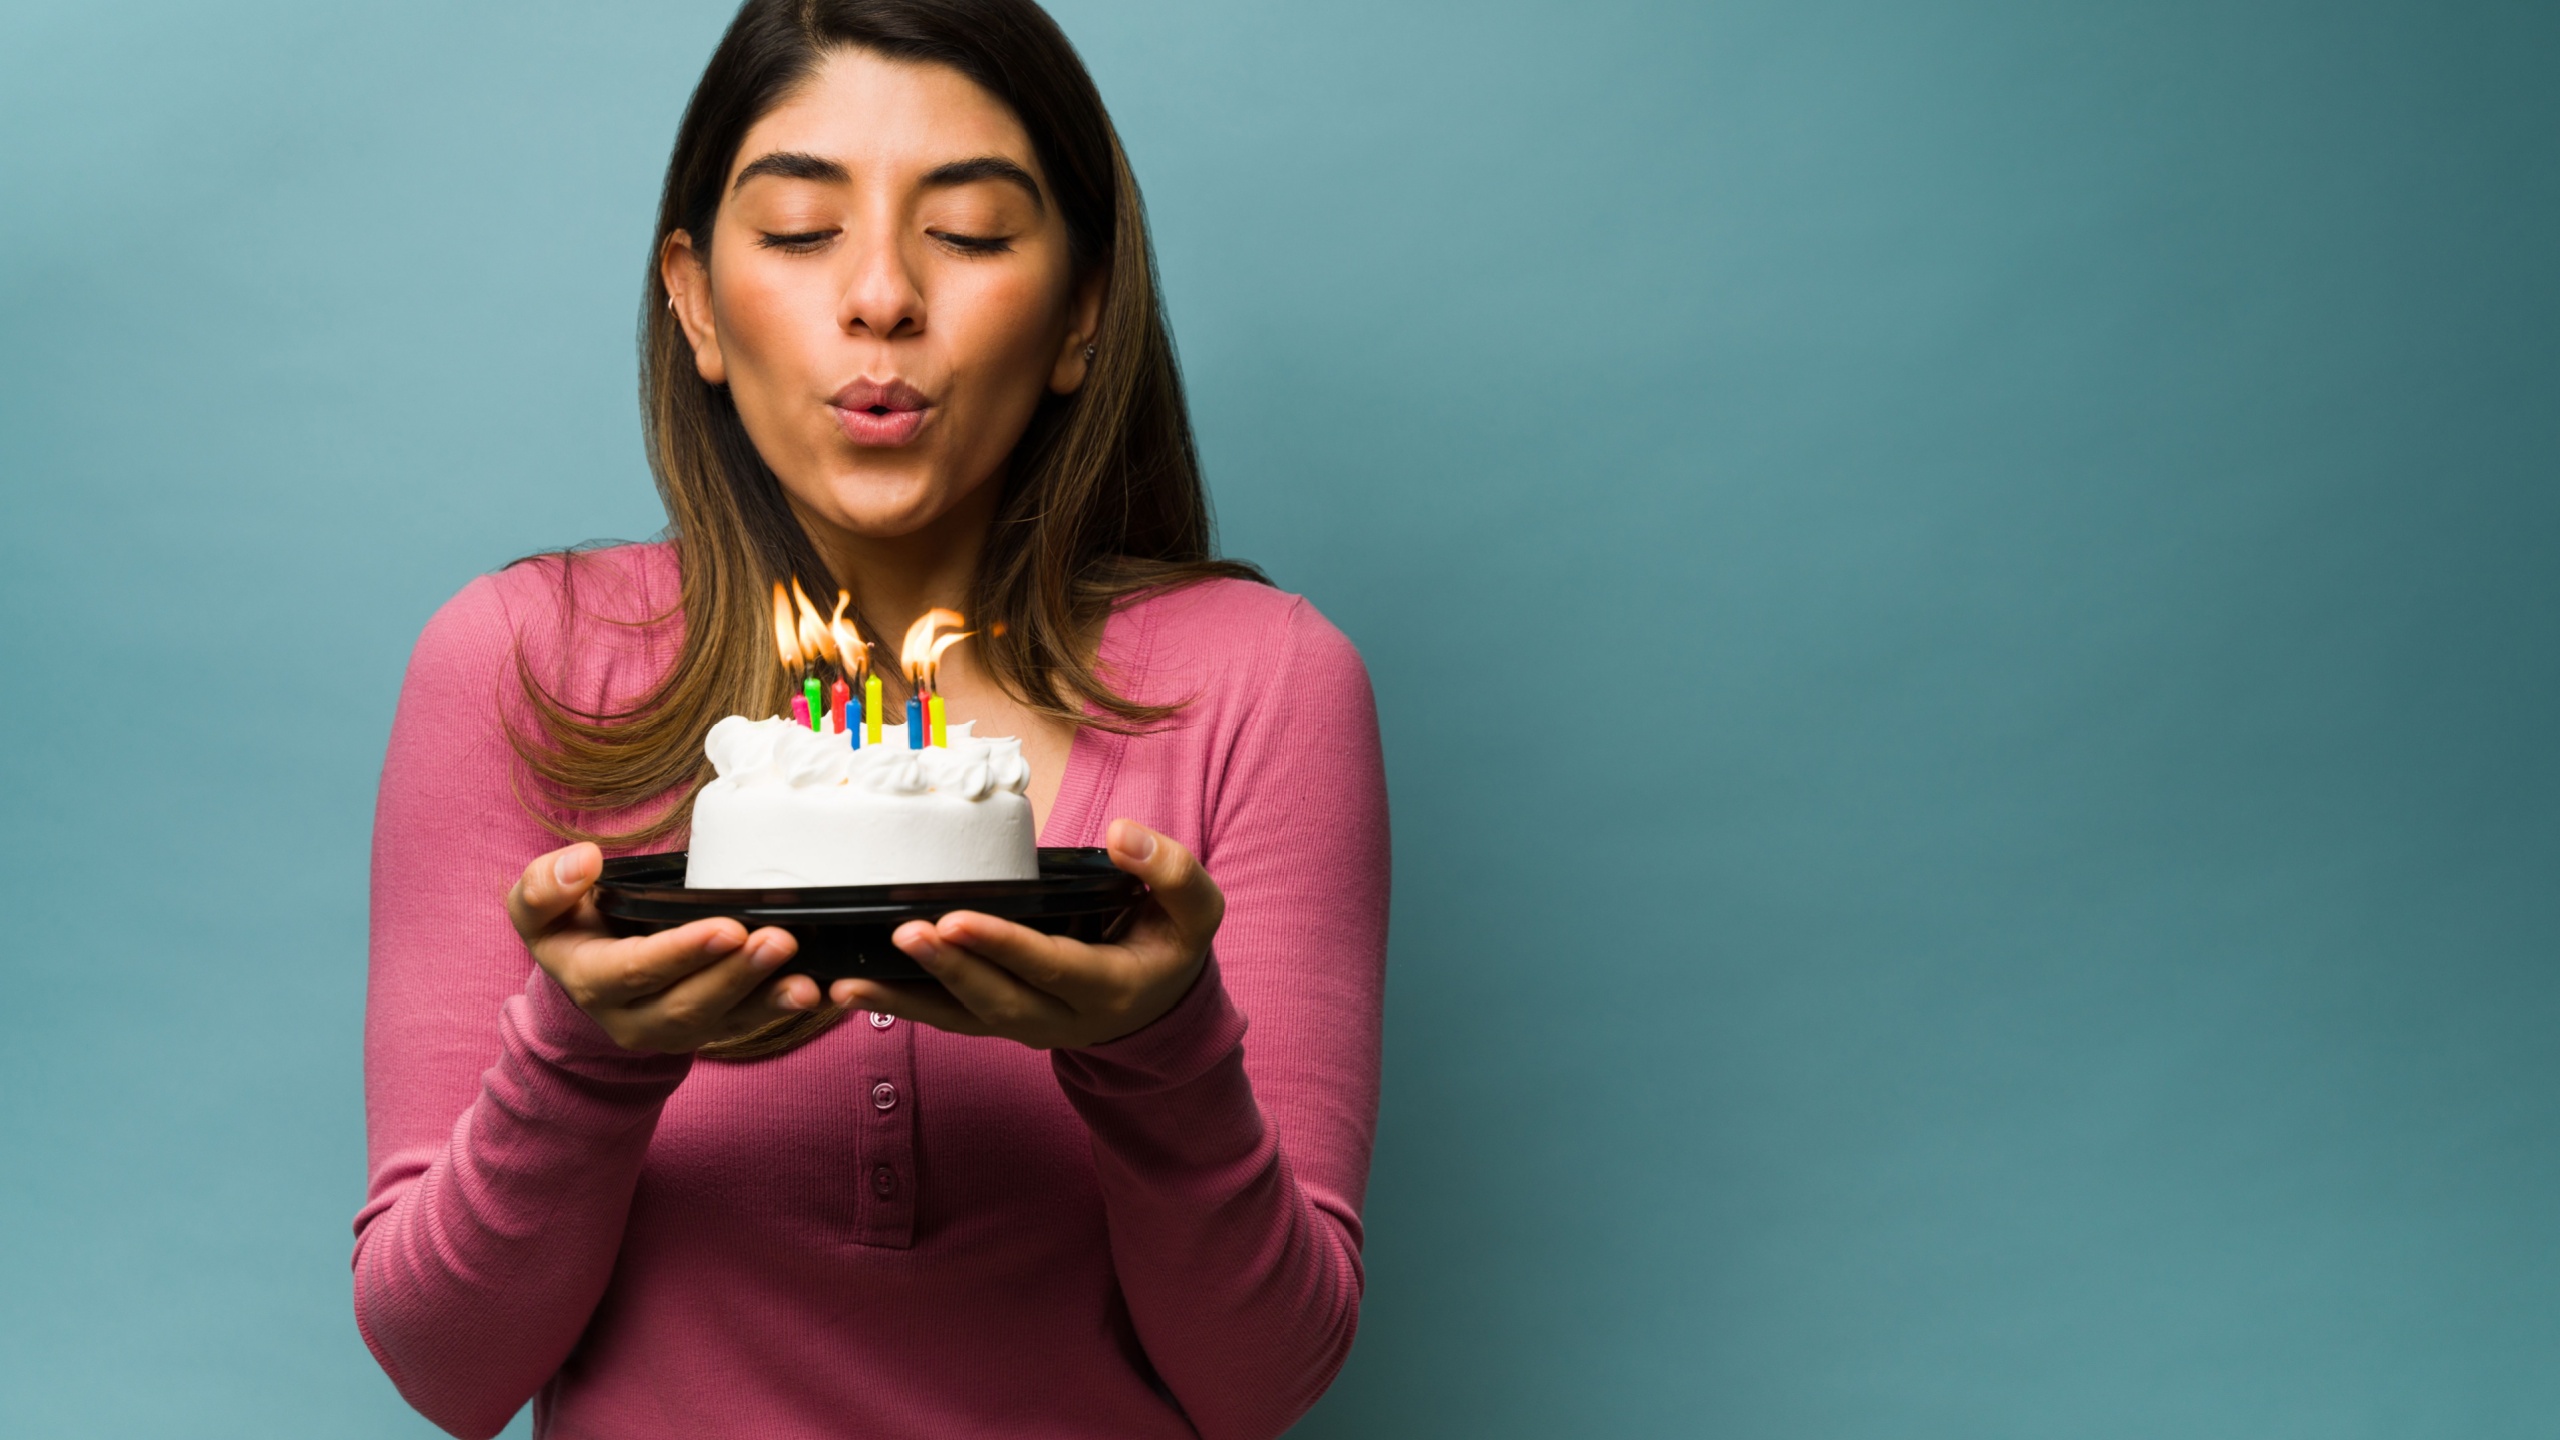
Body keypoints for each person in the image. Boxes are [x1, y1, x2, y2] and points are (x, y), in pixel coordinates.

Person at [352, 2, 1389, 1436]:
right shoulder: (521, 662)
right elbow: (444, 1372)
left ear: (1082, 310)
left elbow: (1262, 1380)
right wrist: (591, 1055)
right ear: (698, 301)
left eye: (968, 234)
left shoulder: (1264, 680)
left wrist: (1155, 1048)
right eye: (796, 232)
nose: (884, 297)